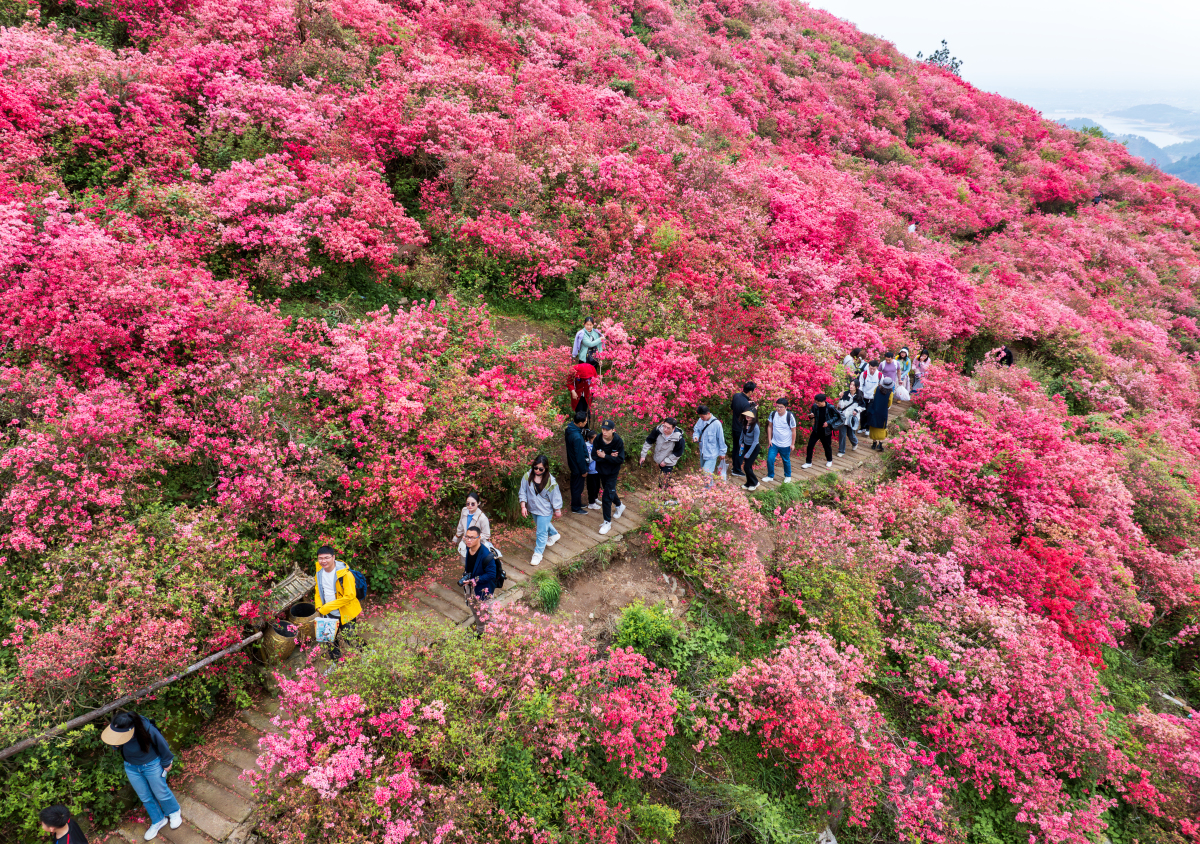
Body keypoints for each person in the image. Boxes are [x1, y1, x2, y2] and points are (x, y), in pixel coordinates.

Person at [101, 713, 181, 841]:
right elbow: (115, 741)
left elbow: (162, 744)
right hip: (131, 767)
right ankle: (158, 820)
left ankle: (173, 812)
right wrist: (114, 745)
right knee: (145, 796)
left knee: (160, 791)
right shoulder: (120, 729)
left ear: (130, 728)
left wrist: (167, 762)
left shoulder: (147, 729)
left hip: (151, 764)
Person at [314, 545, 362, 662]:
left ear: (333, 557)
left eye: (327, 557)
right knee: (330, 640)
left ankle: (367, 654)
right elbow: (318, 591)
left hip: (346, 614)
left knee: (350, 638)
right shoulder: (319, 572)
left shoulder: (345, 574)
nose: (323, 561)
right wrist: (319, 605)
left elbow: (349, 596)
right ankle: (336, 663)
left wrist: (327, 607)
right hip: (328, 614)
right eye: (321, 558)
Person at [518, 454, 562, 566]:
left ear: (545, 468)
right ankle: (554, 534)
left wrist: (557, 509)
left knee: (541, 532)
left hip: (545, 510)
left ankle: (538, 554)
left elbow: (555, 496)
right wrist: (523, 506)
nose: (537, 470)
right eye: (535, 467)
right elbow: (522, 491)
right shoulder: (527, 476)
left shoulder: (550, 481)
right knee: (542, 525)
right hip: (533, 508)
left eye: (540, 469)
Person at [458, 526, 497, 632]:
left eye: (472, 537)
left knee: (488, 616)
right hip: (470, 590)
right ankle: (480, 631)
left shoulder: (486, 555)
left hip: (483, 591)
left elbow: (491, 574)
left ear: (479, 538)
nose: (468, 540)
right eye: (467, 537)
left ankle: (495, 635)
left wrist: (473, 580)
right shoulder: (468, 548)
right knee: (475, 611)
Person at [593, 419, 627, 534]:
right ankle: (619, 505)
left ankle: (607, 522)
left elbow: (620, 459)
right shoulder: (598, 439)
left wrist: (605, 456)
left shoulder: (618, 441)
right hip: (602, 471)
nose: (604, 432)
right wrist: (609, 457)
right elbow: (594, 455)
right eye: (603, 429)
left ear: (613, 430)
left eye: (607, 430)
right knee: (609, 490)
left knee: (606, 496)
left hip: (613, 472)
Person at [639, 417, 685, 486]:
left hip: (669, 462)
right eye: (664, 426)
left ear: (673, 428)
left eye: (668, 428)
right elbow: (648, 442)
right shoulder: (658, 430)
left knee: (663, 482)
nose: (665, 429)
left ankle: (664, 495)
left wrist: (666, 461)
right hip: (658, 457)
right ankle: (670, 492)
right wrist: (643, 455)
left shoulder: (679, 438)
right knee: (665, 482)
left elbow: (678, 453)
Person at [452, 491, 498, 558]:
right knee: (466, 563)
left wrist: (473, 538)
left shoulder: (482, 518)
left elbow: (487, 534)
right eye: (468, 503)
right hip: (465, 544)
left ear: (478, 503)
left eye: (473, 504)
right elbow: (461, 526)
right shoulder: (464, 511)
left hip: (477, 546)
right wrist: (456, 538)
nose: (470, 506)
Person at [763, 398, 798, 483]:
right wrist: (769, 439)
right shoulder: (773, 414)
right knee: (770, 459)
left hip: (785, 444)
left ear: (786, 407)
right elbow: (770, 426)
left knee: (786, 460)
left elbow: (793, 431)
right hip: (774, 442)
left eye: (781, 407)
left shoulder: (789, 416)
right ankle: (770, 476)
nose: (779, 408)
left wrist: (792, 444)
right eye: (777, 406)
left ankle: (788, 476)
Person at [564, 410, 591, 514]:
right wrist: (584, 470)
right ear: (579, 423)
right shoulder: (576, 437)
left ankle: (577, 503)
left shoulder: (570, 428)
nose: (585, 423)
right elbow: (579, 455)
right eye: (584, 422)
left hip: (573, 463)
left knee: (576, 485)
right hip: (577, 466)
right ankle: (575, 507)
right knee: (577, 486)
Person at [692, 405, 727, 481]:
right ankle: (708, 489)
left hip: (712, 454)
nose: (701, 418)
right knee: (705, 474)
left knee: (706, 473)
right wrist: (696, 436)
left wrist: (722, 452)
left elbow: (721, 439)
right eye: (700, 416)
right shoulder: (700, 421)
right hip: (703, 452)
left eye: (702, 416)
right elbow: (697, 430)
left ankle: (707, 490)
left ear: (708, 413)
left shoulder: (717, 424)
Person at [802, 393, 836, 469]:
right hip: (816, 429)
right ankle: (808, 462)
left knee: (827, 446)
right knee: (810, 445)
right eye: (816, 402)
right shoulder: (815, 406)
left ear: (823, 401)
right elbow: (812, 415)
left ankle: (829, 460)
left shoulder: (830, 407)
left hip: (826, 430)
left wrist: (828, 422)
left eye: (818, 403)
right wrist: (811, 416)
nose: (817, 404)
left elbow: (836, 417)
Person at [729, 381, 756, 477]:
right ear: (751, 392)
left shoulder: (736, 396)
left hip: (735, 427)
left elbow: (733, 407)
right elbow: (748, 419)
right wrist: (754, 409)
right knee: (741, 449)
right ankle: (736, 469)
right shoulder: (746, 404)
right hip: (741, 430)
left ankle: (734, 467)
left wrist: (747, 404)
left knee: (736, 448)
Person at [867, 376, 895, 451]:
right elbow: (889, 404)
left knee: (873, 426)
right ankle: (880, 443)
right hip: (883, 412)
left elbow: (874, 396)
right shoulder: (890, 393)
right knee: (882, 427)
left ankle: (874, 443)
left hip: (874, 409)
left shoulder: (877, 389)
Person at [737, 410, 761, 491]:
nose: (748, 417)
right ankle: (749, 483)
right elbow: (742, 435)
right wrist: (741, 445)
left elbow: (755, 442)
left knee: (746, 467)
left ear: (754, 417)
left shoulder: (755, 427)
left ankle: (755, 482)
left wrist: (748, 454)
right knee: (748, 467)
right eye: (747, 415)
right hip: (745, 446)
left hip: (754, 448)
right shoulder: (744, 422)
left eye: (750, 415)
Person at [836, 387, 864, 455]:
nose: (851, 386)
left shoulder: (859, 395)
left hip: (852, 418)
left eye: (853, 385)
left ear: (857, 387)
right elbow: (841, 406)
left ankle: (855, 442)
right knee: (842, 434)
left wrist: (857, 410)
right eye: (851, 384)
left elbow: (863, 406)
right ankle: (841, 450)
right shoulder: (845, 394)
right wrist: (841, 398)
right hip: (844, 417)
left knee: (850, 434)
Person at [584, 430, 602, 510]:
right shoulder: (586, 446)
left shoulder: (597, 445)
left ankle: (595, 498)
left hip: (597, 469)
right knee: (591, 487)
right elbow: (587, 459)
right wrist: (596, 455)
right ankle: (591, 503)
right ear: (588, 438)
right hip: (591, 470)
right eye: (593, 438)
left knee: (597, 485)